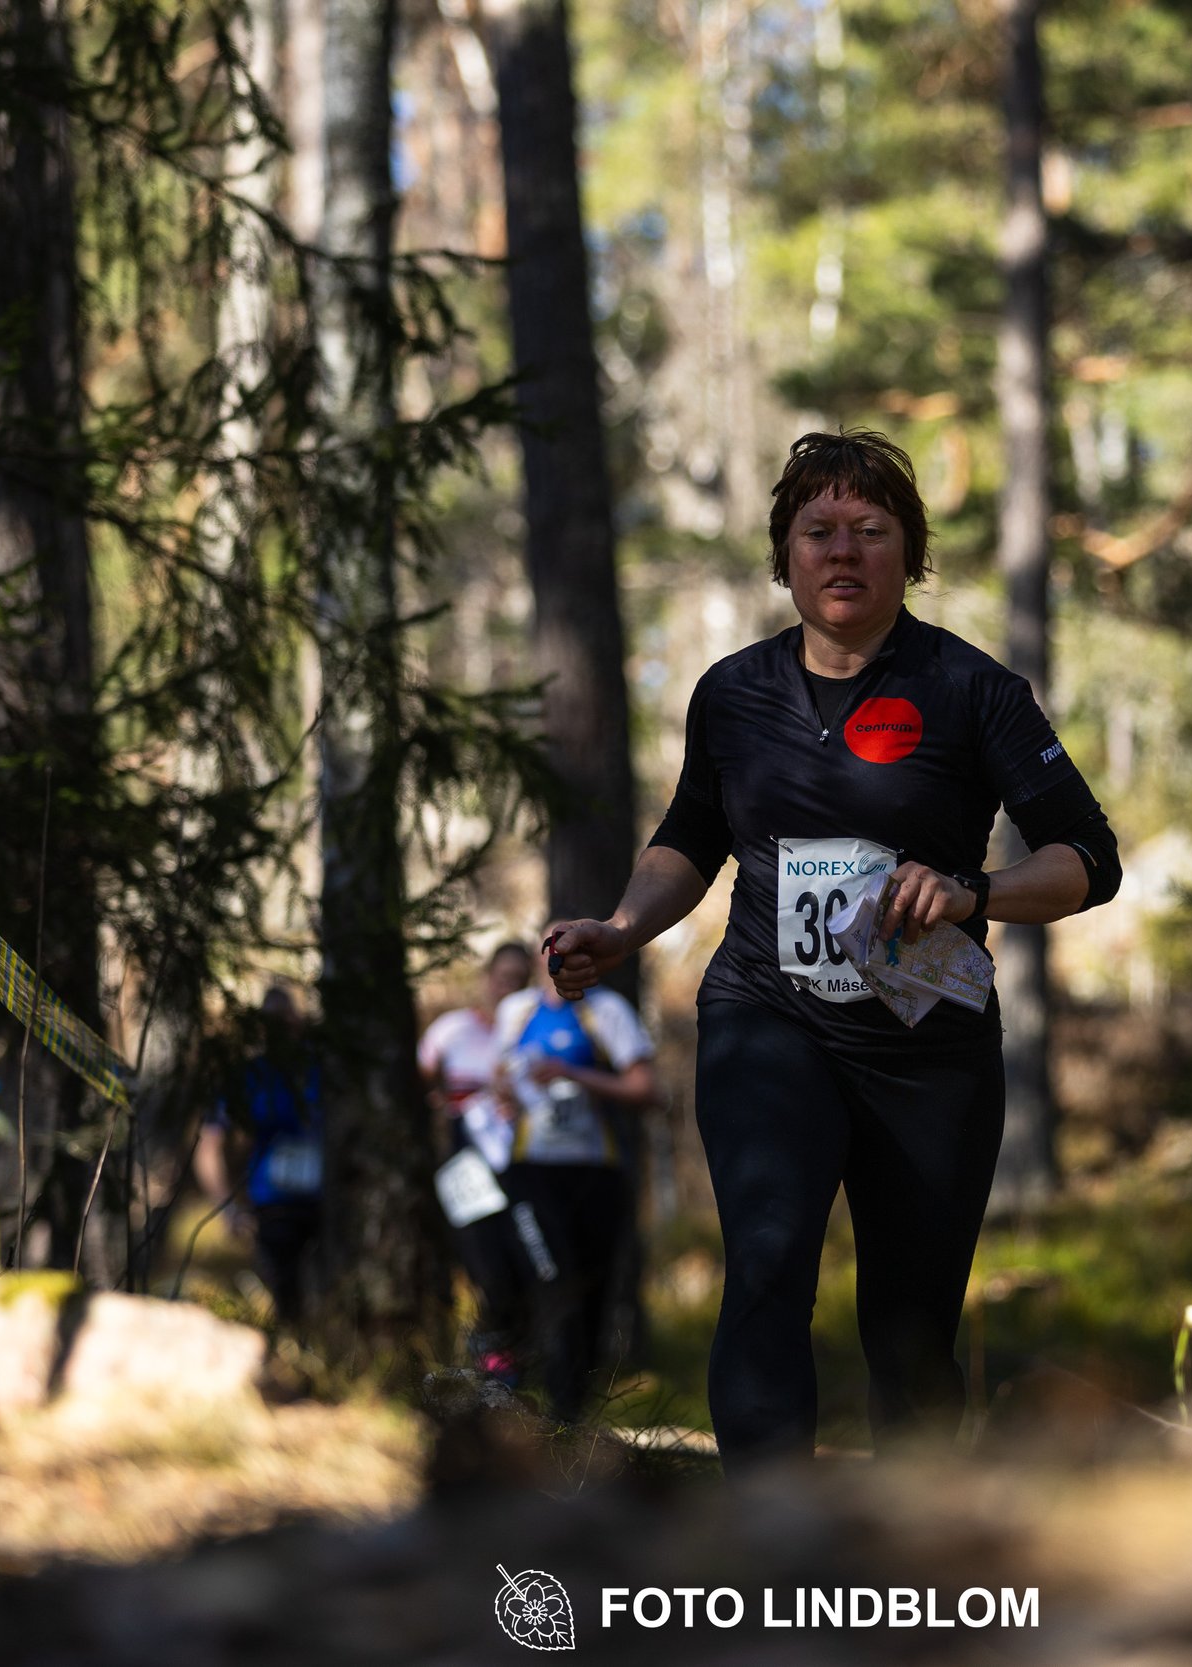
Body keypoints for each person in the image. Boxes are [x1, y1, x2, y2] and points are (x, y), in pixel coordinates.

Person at [546, 428, 1122, 1467]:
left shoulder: (972, 689)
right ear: (785, 554)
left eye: (868, 530)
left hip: (927, 1042)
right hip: (769, 1015)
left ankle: (908, 1545)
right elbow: (691, 835)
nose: (842, 552)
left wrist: (970, 890)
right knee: (766, 1262)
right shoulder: (731, 692)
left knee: (910, 1322)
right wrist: (621, 925)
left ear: (910, 553)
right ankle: (767, 1527)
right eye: (818, 531)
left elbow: (1089, 857)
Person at [491, 929, 659, 1424]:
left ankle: (574, 1419)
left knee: (592, 1293)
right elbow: (500, 1073)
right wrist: (504, 1092)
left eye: (576, 952)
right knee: (552, 1280)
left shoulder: (607, 1011)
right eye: (555, 951)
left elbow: (646, 1088)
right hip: (531, 1171)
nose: (563, 961)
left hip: (594, 1171)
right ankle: (541, 1408)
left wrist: (572, 1074)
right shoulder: (516, 1011)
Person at [418, 941, 537, 1377]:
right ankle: (480, 1362)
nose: (509, 987)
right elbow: (416, 1082)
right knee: (481, 1266)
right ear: (487, 978)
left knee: (522, 1267)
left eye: (519, 980)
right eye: (503, 977)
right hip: (466, 1168)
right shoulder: (451, 1030)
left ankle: (512, 1369)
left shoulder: (531, 1032)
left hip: (521, 1169)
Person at [194, 982, 324, 1325]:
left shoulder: (323, 1069)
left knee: (332, 1300)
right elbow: (208, 1147)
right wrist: (227, 1208)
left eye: (286, 1018)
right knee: (287, 1303)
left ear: (298, 1020)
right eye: (271, 1021)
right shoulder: (248, 1077)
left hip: (329, 1206)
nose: (281, 1028)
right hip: (274, 1208)